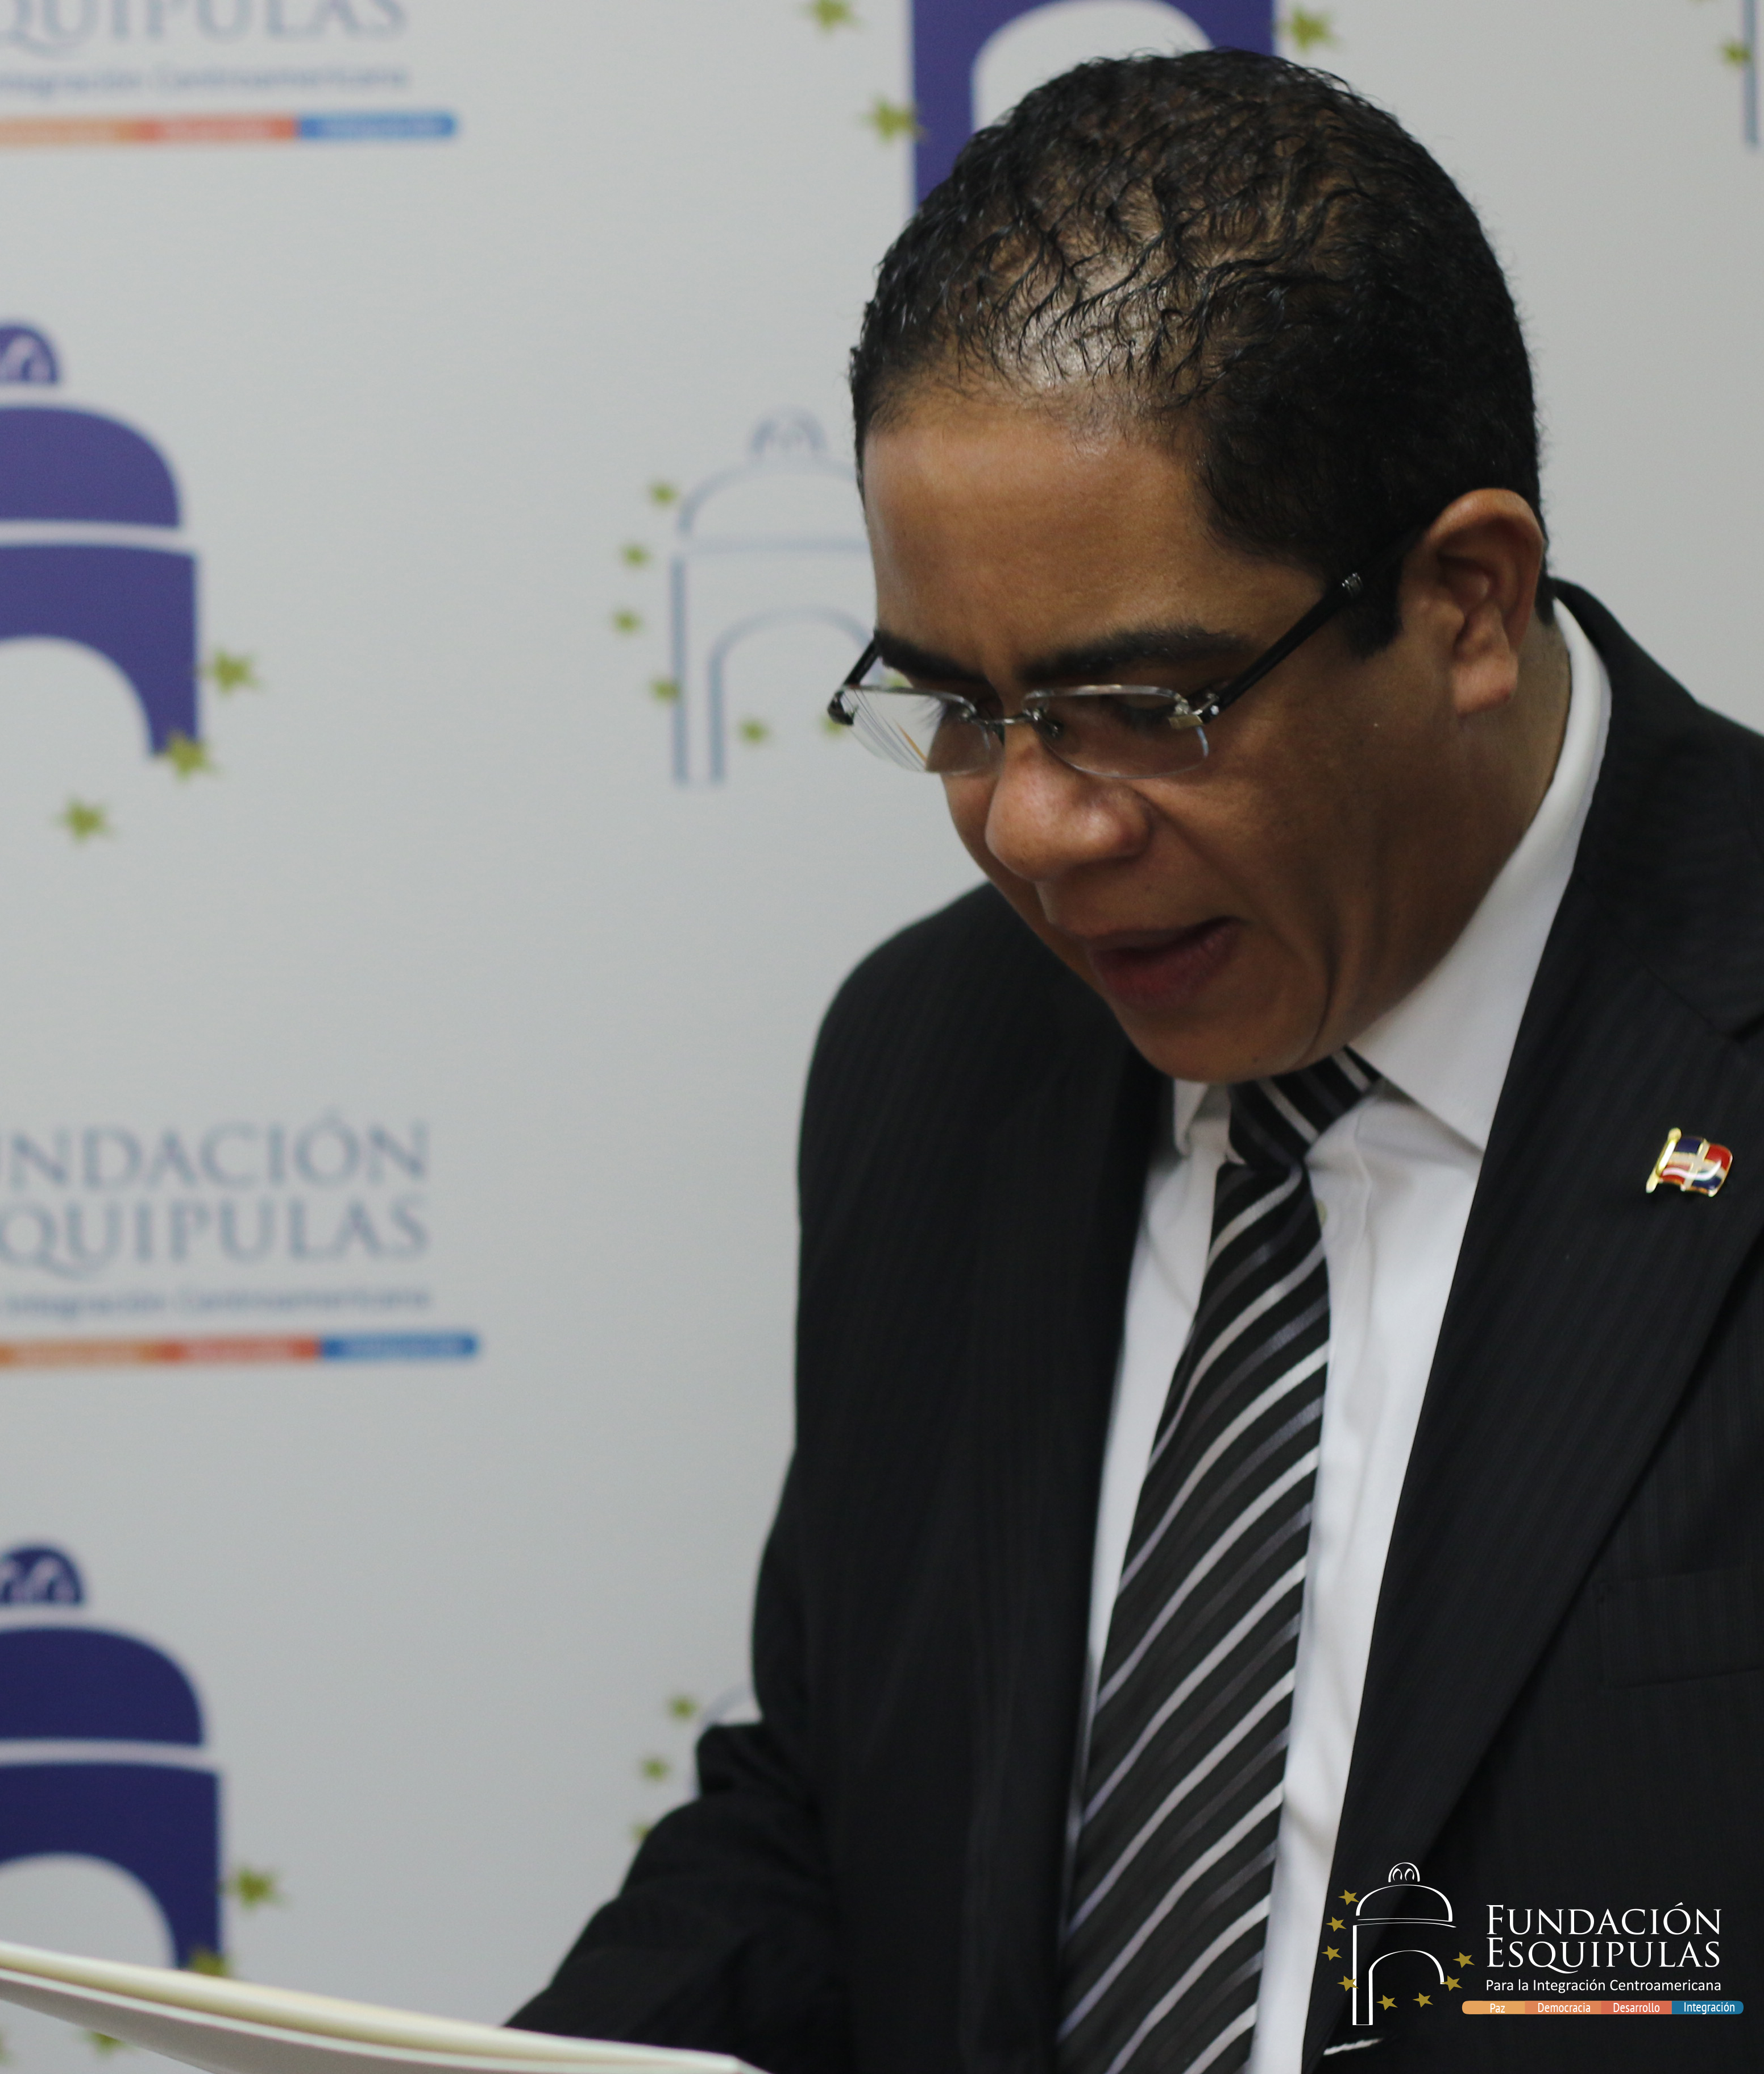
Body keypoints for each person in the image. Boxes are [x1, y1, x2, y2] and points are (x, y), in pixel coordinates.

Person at [518, 51, 1757, 2074]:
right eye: (952, 707)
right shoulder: (930, 1059)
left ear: (1464, 602)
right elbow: (844, 1816)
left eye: (1139, 708)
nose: (1030, 829)